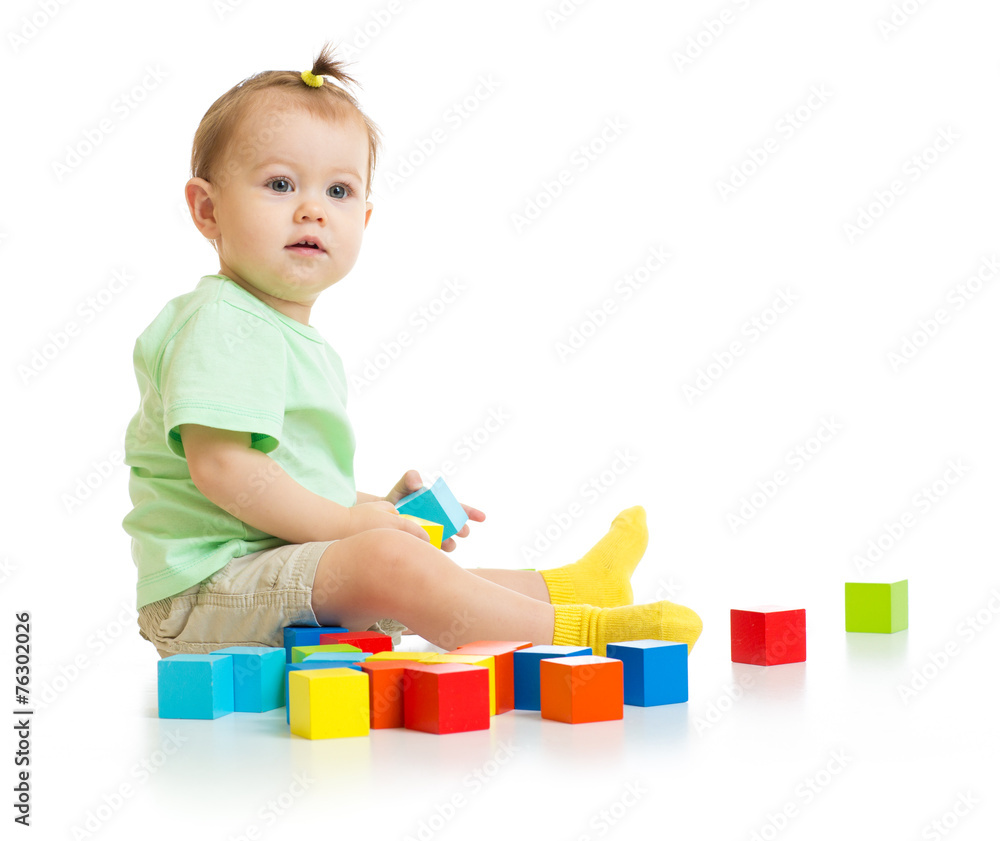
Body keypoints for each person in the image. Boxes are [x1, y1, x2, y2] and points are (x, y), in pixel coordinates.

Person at [123, 44, 703, 659]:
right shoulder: (223, 323)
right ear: (207, 209)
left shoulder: (284, 336)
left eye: (340, 191)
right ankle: (577, 635)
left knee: (420, 571)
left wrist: (372, 506)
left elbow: (290, 486)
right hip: (205, 593)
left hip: (269, 572)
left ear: (365, 219)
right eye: (280, 183)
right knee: (388, 563)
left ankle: (568, 590)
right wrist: (353, 529)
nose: (312, 208)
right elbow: (225, 470)